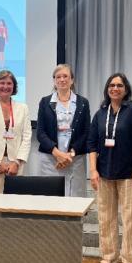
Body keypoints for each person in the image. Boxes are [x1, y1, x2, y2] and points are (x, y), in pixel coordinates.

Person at [88, 73, 132, 263]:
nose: (115, 88)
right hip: (104, 172)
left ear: (126, 89)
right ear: (107, 89)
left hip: (128, 173)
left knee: (130, 218)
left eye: (119, 85)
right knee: (105, 217)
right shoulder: (100, 113)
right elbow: (91, 144)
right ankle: (109, 256)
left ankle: (130, 260)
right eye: (112, 85)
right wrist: (93, 170)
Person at [37, 64, 90, 197]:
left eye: (65, 76)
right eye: (58, 77)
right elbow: (41, 133)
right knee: (51, 197)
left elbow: (86, 132)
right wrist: (58, 154)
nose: (62, 79)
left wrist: (69, 156)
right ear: (54, 81)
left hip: (75, 159)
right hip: (51, 159)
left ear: (72, 80)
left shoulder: (83, 102)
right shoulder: (45, 102)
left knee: (75, 197)